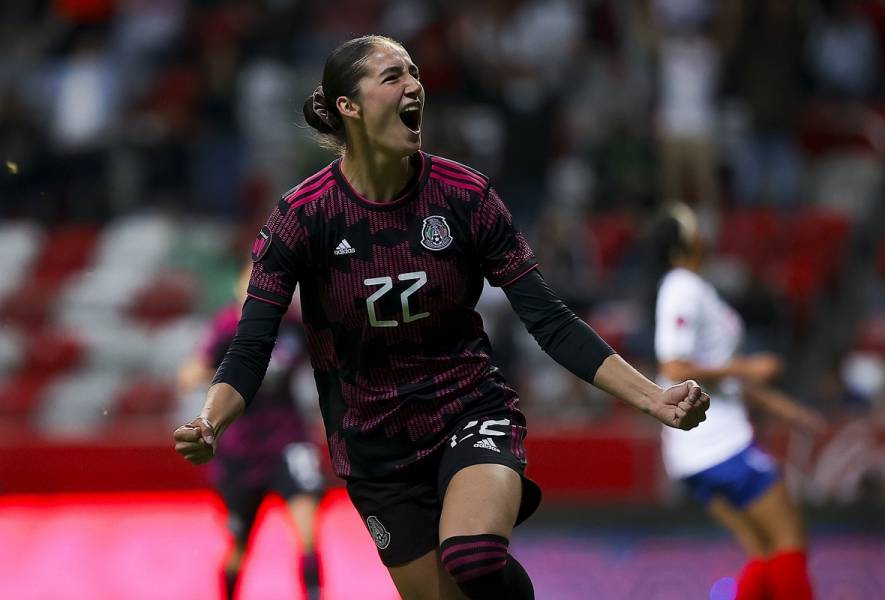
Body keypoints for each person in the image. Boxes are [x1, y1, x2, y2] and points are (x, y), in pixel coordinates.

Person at [174, 35, 710, 600]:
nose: (414, 86)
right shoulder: (300, 219)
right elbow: (249, 347)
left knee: (473, 556)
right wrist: (210, 422)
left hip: (468, 412)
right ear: (347, 107)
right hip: (373, 450)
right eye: (392, 77)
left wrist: (653, 397)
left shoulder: (465, 196)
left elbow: (549, 320)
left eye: (414, 74)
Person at [651, 202, 825, 600]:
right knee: (788, 539)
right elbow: (674, 365)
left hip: (693, 451)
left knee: (762, 553)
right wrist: (747, 368)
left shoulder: (691, 287)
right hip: (716, 442)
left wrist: (788, 410)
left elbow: (714, 370)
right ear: (684, 244)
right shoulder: (682, 286)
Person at [176, 264, 326, 600]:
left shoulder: (293, 327)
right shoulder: (229, 328)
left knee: (307, 530)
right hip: (240, 449)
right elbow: (191, 372)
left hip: (288, 439)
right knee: (239, 544)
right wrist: (215, 375)